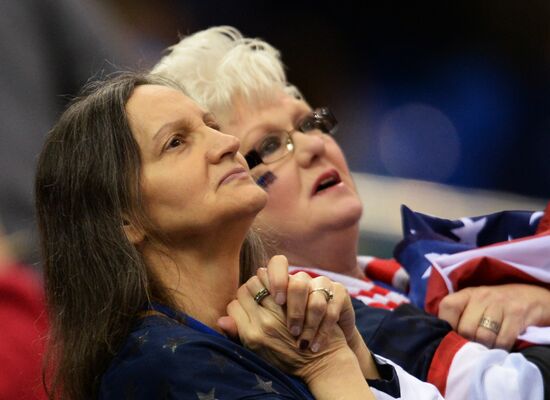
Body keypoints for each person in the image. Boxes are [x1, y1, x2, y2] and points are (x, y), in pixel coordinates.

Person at [151, 26, 549, 399]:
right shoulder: (327, 323)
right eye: (270, 146)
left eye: (309, 123)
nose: (313, 147)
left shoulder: (407, 271)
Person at [35, 72, 443, 399]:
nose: (227, 143)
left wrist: (356, 353)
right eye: (176, 142)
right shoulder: (165, 367)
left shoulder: (268, 333)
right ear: (124, 221)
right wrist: (329, 364)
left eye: (211, 125)